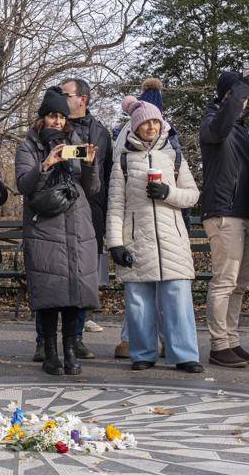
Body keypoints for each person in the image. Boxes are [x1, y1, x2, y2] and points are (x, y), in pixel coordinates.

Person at [106, 96, 203, 373]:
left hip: (173, 240)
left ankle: (184, 355)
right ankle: (143, 353)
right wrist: (115, 243)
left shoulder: (174, 157)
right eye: (145, 122)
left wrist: (168, 193)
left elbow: (193, 195)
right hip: (137, 239)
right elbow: (115, 206)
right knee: (138, 301)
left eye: (155, 122)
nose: (150, 127)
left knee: (177, 298)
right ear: (135, 127)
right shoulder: (123, 161)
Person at [15, 88, 99, 376]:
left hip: (76, 226)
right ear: (43, 117)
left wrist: (90, 164)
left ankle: (71, 351)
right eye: (52, 115)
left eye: (62, 117)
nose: (58, 122)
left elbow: (92, 189)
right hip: (45, 227)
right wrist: (48, 163)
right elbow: (24, 185)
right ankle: (50, 353)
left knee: (75, 293)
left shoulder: (75, 141)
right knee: (51, 293)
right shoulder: (28, 146)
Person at [112, 78, 179, 359]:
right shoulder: (125, 145)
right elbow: (116, 191)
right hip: (137, 218)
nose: (152, 126)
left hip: (164, 216)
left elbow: (184, 186)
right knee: (141, 286)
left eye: (156, 121)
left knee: (162, 286)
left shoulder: (169, 142)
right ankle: (139, 341)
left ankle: (156, 341)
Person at [200, 70, 249, 368]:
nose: (244, 102)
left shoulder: (245, 131)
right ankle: (218, 344)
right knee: (224, 282)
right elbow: (222, 124)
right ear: (227, 95)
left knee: (240, 283)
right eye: (240, 96)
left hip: (248, 214)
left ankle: (232, 340)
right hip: (224, 212)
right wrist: (241, 89)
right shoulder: (213, 122)